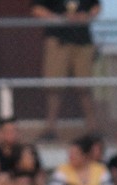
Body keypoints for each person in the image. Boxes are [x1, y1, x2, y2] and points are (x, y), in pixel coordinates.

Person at [30, 0, 100, 140]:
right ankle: (50, 129)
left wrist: (85, 17)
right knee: (54, 86)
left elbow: (95, 7)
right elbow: (36, 8)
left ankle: (93, 128)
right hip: (58, 40)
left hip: (82, 41)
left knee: (85, 86)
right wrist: (60, 19)